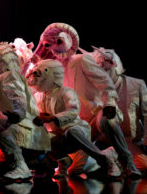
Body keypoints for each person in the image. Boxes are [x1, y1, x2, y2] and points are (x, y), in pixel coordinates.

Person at [32, 22, 142, 179]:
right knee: (73, 169)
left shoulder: (81, 61)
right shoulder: (50, 71)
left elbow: (105, 84)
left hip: (92, 123)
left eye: (48, 45)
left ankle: (127, 162)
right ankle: (101, 156)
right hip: (72, 127)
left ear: (61, 42)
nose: (44, 51)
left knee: (107, 120)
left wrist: (110, 103)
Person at [27, 59, 121, 178]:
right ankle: (63, 162)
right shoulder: (38, 97)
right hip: (59, 136)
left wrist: (54, 117)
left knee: (71, 132)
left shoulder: (66, 92)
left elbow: (73, 111)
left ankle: (105, 159)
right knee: (39, 139)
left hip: (77, 129)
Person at [0, 41, 51, 180]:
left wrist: (17, 114)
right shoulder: (13, 77)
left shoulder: (8, 76)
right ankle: (40, 162)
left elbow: (18, 97)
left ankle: (21, 166)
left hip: (25, 135)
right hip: (32, 136)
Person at [89, 46, 147, 174]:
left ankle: (117, 159)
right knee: (77, 167)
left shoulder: (137, 85)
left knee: (143, 166)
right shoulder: (91, 89)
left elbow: (146, 113)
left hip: (129, 142)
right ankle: (107, 158)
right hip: (100, 143)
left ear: (114, 64)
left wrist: (146, 140)